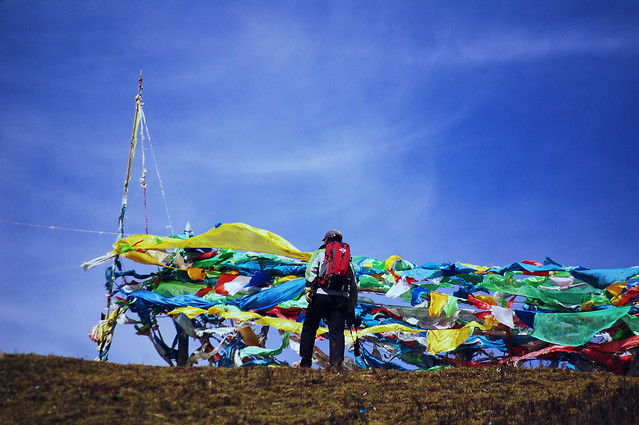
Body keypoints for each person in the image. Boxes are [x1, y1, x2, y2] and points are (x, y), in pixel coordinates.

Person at [299, 229, 358, 368]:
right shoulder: (346, 257)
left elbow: (311, 272)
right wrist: (350, 308)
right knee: (337, 332)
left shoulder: (320, 253)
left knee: (309, 327)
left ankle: (306, 361)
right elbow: (354, 285)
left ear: (327, 240)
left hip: (321, 296)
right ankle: (336, 365)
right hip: (340, 299)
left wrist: (309, 290)